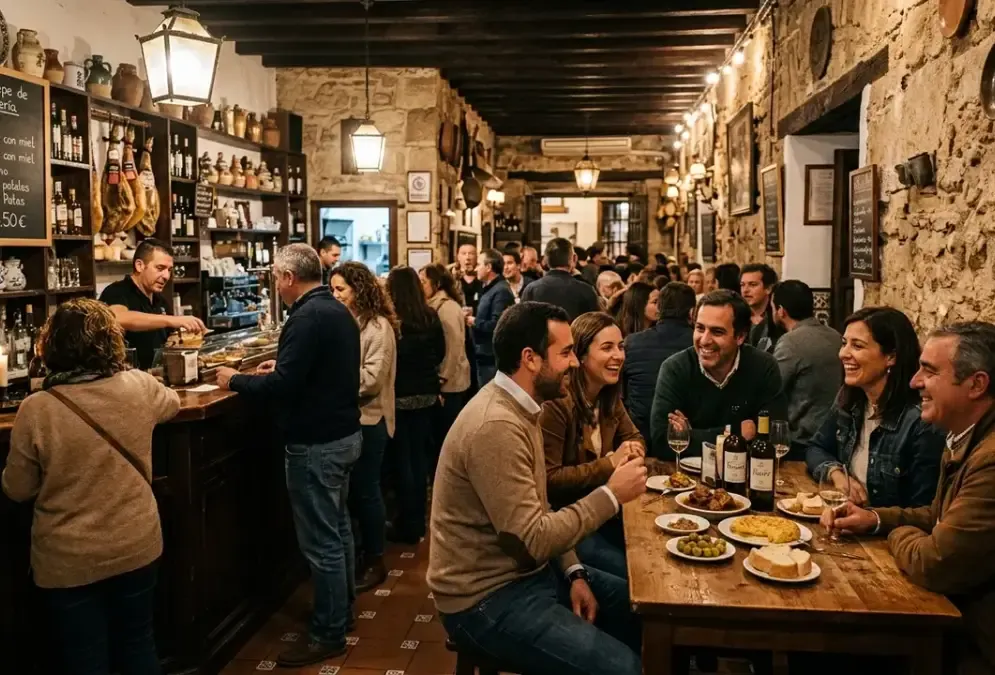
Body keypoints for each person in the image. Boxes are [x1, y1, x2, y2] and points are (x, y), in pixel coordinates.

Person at [428, 302, 647, 675]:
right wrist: (611, 494)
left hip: (526, 574)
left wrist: (574, 571)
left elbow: (540, 509)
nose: (575, 363)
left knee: (637, 607)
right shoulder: (496, 425)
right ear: (530, 359)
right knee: (623, 667)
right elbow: (532, 540)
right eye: (565, 353)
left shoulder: (525, 407)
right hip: (483, 599)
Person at [2, 298, 180, 675]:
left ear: (51, 346)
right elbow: (173, 404)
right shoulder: (138, 386)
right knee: (138, 643)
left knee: (84, 658)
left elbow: (17, 488)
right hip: (136, 544)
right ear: (111, 342)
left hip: (69, 560)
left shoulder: (37, 409)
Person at [215, 245, 362, 666]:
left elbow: (284, 389)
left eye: (277, 277)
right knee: (338, 530)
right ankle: (344, 613)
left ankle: (329, 632)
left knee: (322, 544)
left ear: (287, 277)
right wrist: (279, 368)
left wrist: (236, 380)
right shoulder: (335, 311)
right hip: (344, 434)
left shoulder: (306, 316)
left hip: (317, 443)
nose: (276, 285)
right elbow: (308, 372)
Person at [826, 322, 995, 675]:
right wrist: (872, 518)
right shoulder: (965, 436)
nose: (915, 381)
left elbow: (935, 562)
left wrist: (895, 534)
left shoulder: (989, 459)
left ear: (977, 385)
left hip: (975, 642)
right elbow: (936, 515)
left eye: (929, 371)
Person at [805, 307, 944, 508]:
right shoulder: (850, 399)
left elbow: (923, 512)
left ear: (891, 357)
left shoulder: (920, 421)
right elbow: (816, 447)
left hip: (887, 536)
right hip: (849, 521)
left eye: (858, 346)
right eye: (844, 343)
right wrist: (837, 474)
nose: (844, 353)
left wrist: (872, 519)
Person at [541, 312, 644, 580]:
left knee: (647, 554)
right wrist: (610, 463)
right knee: (633, 574)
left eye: (621, 347)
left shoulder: (608, 396)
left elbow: (635, 438)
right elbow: (550, 479)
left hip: (607, 509)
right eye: (607, 348)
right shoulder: (557, 403)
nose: (619, 356)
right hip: (570, 519)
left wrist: (631, 451)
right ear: (581, 356)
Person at [650, 290, 785, 457]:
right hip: (686, 478)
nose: (704, 340)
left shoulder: (764, 367)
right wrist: (735, 432)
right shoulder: (675, 368)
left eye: (717, 332)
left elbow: (773, 439)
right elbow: (662, 441)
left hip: (746, 476)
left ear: (740, 337)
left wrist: (692, 435)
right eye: (700, 328)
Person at [329, 262, 397, 593]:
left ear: (360, 289)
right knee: (355, 493)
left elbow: (371, 381)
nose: (335, 295)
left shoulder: (378, 327)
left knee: (367, 492)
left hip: (371, 419)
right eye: (332, 289)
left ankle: (376, 560)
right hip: (349, 418)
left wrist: (326, 382)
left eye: (341, 289)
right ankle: (358, 555)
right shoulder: (347, 321)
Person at [385, 266, 445, 544]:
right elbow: (440, 352)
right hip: (427, 394)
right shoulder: (429, 315)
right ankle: (419, 521)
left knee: (401, 462)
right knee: (419, 459)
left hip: (399, 396)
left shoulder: (391, 321)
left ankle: (407, 522)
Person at [99, 238, 206, 370]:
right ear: (139, 266)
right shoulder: (117, 291)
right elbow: (118, 318)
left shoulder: (160, 300)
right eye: (160, 268)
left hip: (156, 378)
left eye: (169, 270)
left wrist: (187, 339)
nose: (166, 276)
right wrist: (172, 320)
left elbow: (169, 340)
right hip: (127, 380)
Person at [770, 280, 844, 452]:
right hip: (834, 435)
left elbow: (772, 388)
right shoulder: (835, 335)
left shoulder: (791, 342)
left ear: (781, 311)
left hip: (802, 442)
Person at [623, 282, 696, 443]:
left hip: (638, 435)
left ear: (659, 309)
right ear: (692, 312)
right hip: (683, 435)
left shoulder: (632, 342)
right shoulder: (699, 344)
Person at [419, 263, 471, 475]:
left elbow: (454, 347)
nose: (420, 286)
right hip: (448, 382)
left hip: (451, 384)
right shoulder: (435, 305)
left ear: (436, 284)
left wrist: (441, 379)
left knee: (445, 436)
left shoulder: (446, 308)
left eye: (423, 282)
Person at [521, 238, 601, 321]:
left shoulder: (531, 289)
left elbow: (521, 324)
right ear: (574, 259)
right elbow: (595, 327)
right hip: (574, 334)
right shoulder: (587, 290)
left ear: (545, 261)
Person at [468, 248, 515, 387]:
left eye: (479, 264)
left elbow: (498, 325)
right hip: (483, 356)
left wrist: (474, 321)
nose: (476, 268)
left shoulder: (501, 291)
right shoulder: (489, 288)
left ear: (489, 267)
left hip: (491, 359)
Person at [740, 263, 784, 353]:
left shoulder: (778, 317)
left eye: (752, 284)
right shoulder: (737, 315)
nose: (745, 290)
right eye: (742, 285)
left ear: (768, 289)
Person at [451, 244, 483, 314]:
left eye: (471, 254)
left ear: (476, 257)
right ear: (458, 257)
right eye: (464, 253)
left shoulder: (483, 277)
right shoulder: (451, 278)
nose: (467, 257)